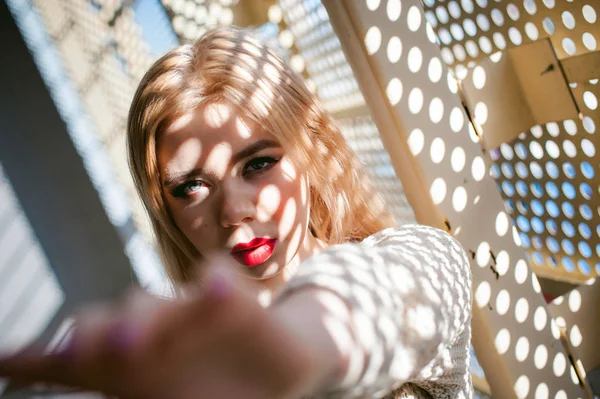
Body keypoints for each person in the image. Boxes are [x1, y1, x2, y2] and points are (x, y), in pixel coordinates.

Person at [0, 27, 472, 398]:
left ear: (311, 151)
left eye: (259, 163)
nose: (234, 211)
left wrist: (292, 350)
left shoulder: (419, 255)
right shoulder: (189, 373)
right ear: (166, 209)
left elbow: (379, 302)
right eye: (191, 187)